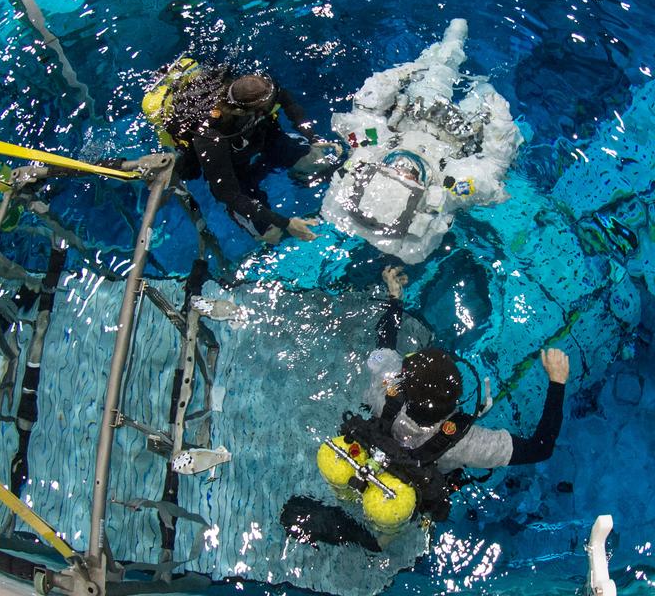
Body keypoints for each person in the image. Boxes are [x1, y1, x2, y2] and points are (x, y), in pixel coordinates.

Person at [283, 265, 569, 549]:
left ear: (404, 384)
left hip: (369, 455)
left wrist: (395, 299)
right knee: (389, 528)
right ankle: (376, 542)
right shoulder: (466, 442)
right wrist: (557, 382)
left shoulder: (386, 387)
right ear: (456, 401)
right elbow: (541, 447)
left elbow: (385, 340)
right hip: (405, 487)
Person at [152, 62, 343, 244]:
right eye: (264, 109)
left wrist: (313, 138)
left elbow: (289, 104)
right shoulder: (210, 137)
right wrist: (285, 223)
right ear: (240, 111)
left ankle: (291, 171)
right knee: (270, 232)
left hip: (264, 140)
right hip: (234, 169)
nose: (270, 107)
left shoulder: (263, 91)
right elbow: (226, 193)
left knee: (319, 163)